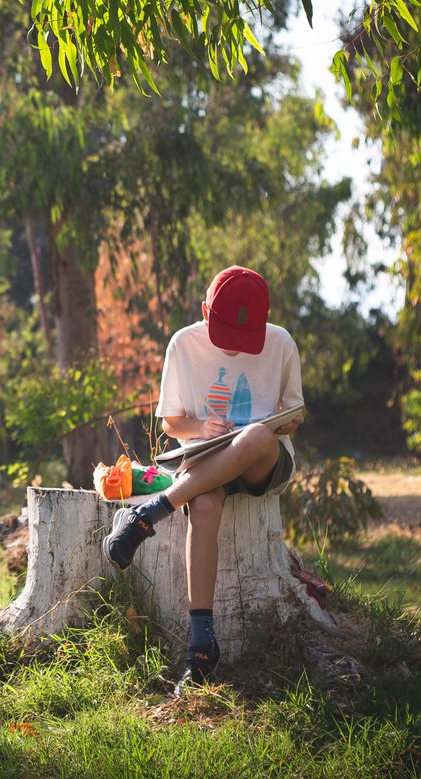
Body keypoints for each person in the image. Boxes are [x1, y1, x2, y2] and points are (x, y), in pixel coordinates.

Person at [102, 265, 305, 694]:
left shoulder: (282, 343)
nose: (233, 348)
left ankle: (148, 514)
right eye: (225, 335)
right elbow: (172, 422)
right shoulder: (184, 343)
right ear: (205, 311)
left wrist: (289, 421)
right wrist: (200, 428)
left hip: (262, 462)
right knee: (205, 505)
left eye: (243, 338)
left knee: (256, 435)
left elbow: (293, 411)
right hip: (206, 456)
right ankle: (200, 647)